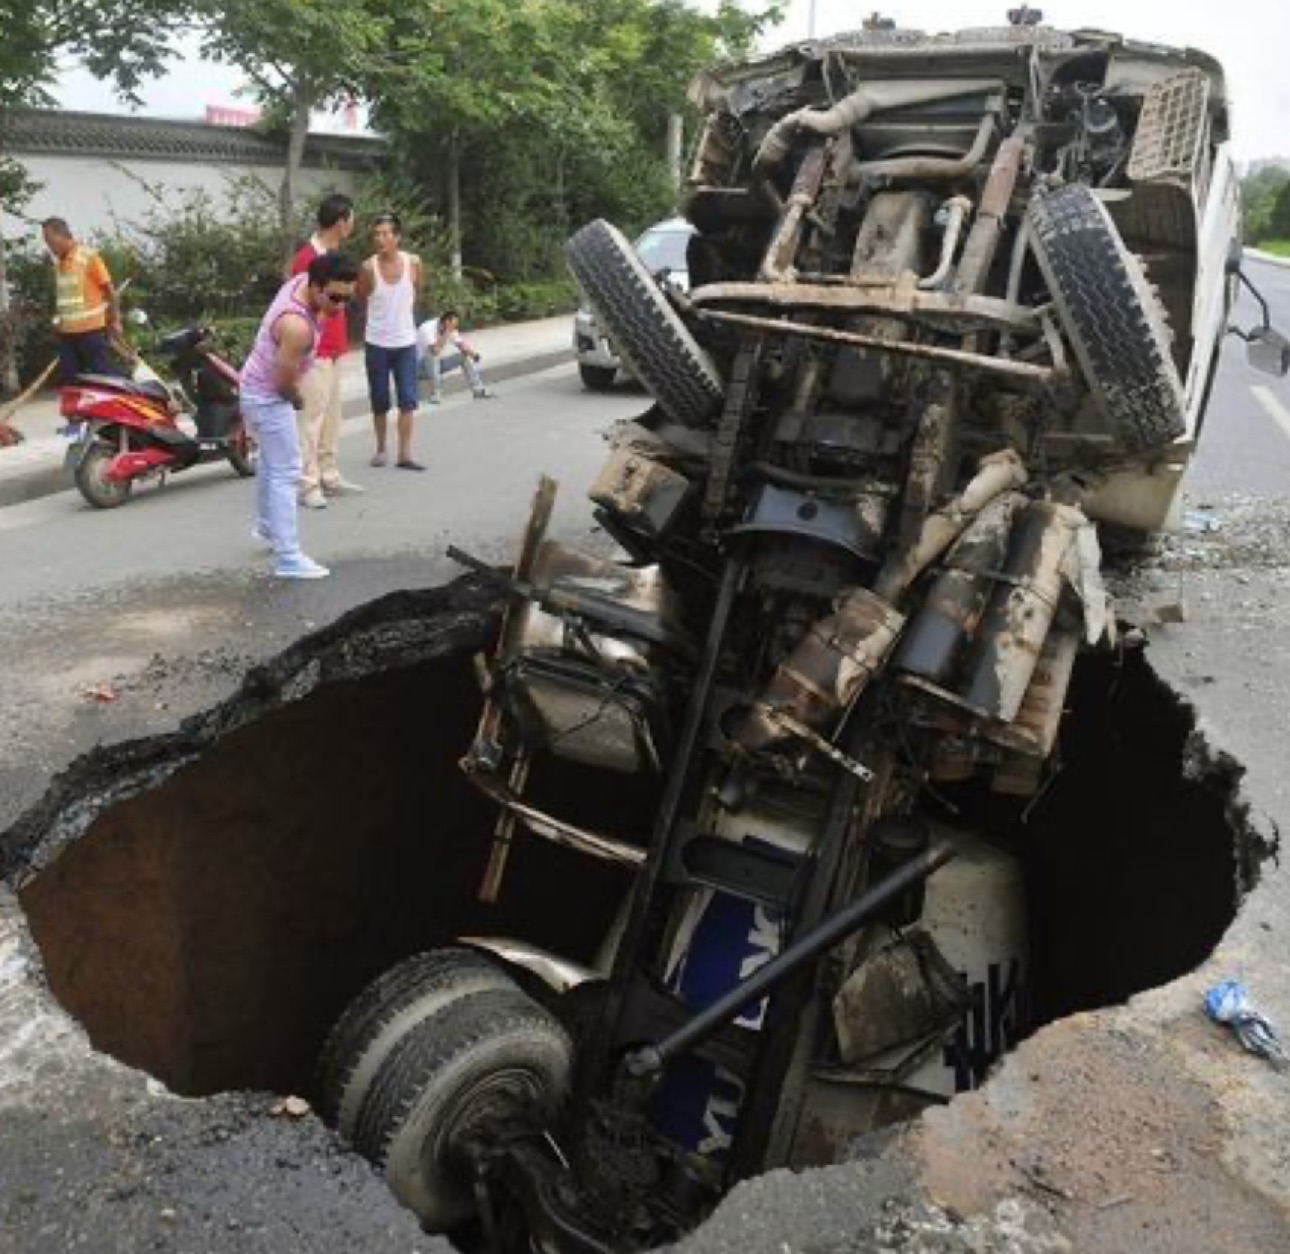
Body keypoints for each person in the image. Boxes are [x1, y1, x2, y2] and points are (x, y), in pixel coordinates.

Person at [239, 252, 360, 580]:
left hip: (255, 385)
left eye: (349, 298)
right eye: (335, 297)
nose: (341, 306)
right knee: (287, 470)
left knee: (270, 462)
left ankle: (267, 527)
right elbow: (282, 381)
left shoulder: (301, 285)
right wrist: (295, 399)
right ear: (316, 286)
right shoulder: (297, 327)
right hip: (267, 395)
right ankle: (288, 556)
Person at [290, 193, 364, 508]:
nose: (353, 224)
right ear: (340, 222)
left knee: (333, 416)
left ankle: (329, 473)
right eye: (351, 219)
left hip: (334, 348)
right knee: (312, 418)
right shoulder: (307, 258)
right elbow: (298, 304)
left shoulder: (335, 255)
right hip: (315, 350)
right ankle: (308, 484)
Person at [358, 213, 425, 470]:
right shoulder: (367, 268)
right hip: (376, 343)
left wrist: (405, 322)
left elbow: (417, 293)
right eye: (377, 234)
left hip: (406, 342)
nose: (381, 239)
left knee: (408, 398)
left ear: (397, 237)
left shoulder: (414, 263)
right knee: (380, 399)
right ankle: (381, 448)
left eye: (386, 233)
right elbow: (362, 298)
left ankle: (405, 454)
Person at [41, 218, 122, 384]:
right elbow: (66, 298)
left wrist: (115, 320)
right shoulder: (59, 263)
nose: (49, 246)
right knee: (71, 381)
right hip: (67, 334)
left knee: (104, 379)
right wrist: (58, 320)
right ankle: (80, 411)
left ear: (62, 235)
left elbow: (110, 292)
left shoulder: (89, 257)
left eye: (50, 240)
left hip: (91, 332)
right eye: (46, 242)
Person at [417, 309, 495, 403]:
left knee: (463, 355)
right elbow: (435, 351)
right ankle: (436, 394)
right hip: (418, 368)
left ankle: (478, 389)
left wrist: (473, 355)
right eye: (453, 325)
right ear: (446, 322)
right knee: (432, 355)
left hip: (435, 366)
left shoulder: (450, 328)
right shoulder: (427, 328)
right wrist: (446, 332)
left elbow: (461, 344)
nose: (454, 328)